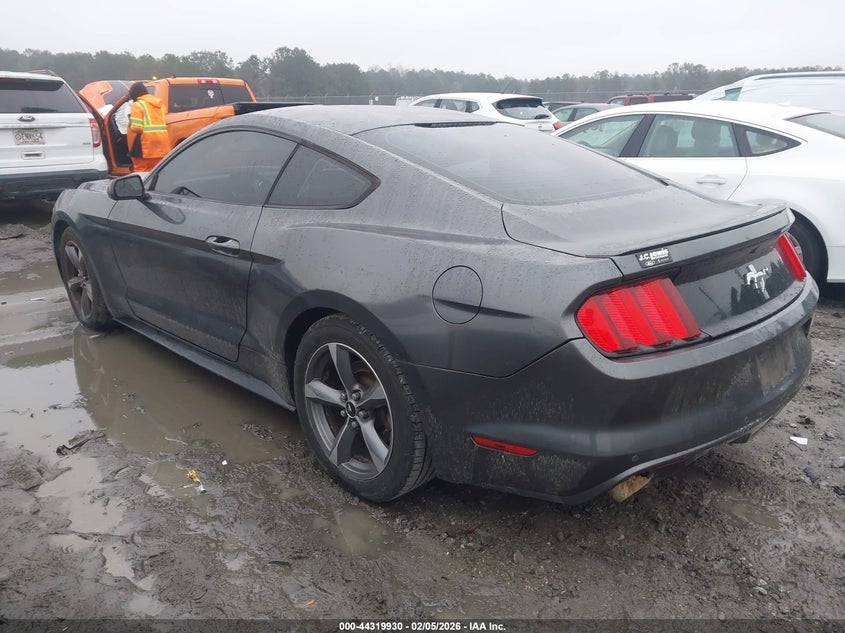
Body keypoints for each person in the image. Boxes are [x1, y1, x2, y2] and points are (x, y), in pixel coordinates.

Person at [126, 82, 171, 172]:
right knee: (158, 171)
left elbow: (137, 128)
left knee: (141, 170)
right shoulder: (160, 105)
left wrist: (130, 124)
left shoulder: (138, 105)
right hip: (162, 145)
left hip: (146, 144)